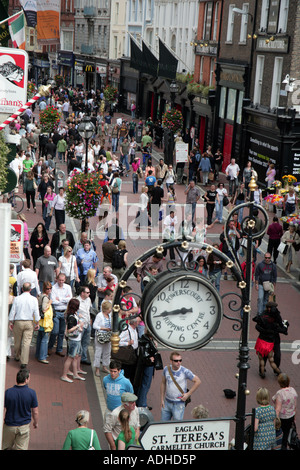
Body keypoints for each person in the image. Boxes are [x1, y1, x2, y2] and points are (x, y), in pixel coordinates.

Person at [2, 369, 38, 450]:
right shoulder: (32, 393)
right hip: (23, 426)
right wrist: (35, 423)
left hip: (9, 425)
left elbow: (3, 409)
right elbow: (35, 412)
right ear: (26, 380)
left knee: (5, 447)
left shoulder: (8, 392)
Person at [160, 351, 201, 421]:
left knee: (177, 426)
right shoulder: (166, 369)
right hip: (167, 402)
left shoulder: (185, 371)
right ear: (171, 361)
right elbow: (163, 383)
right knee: (163, 424)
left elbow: (198, 381)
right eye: (176, 361)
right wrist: (162, 399)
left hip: (179, 404)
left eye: (180, 360)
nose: (178, 362)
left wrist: (188, 394)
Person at [8, 282, 40, 368]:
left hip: (18, 321)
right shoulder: (34, 299)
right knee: (26, 343)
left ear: (22, 289)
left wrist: (11, 321)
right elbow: (36, 312)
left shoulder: (17, 299)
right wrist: (37, 322)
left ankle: (17, 355)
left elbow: (13, 311)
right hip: (29, 322)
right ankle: (24, 362)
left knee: (17, 341)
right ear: (30, 289)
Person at [253, 302, 283, 378]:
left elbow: (280, 324)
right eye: (268, 307)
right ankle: (264, 371)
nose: (269, 309)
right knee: (267, 358)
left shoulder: (276, 315)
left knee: (276, 356)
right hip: (268, 339)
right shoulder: (264, 314)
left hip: (271, 338)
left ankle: (275, 370)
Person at [60, 298, 86, 383]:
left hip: (76, 338)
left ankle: (75, 374)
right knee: (70, 357)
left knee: (75, 357)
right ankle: (64, 375)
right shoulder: (71, 317)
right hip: (73, 340)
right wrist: (79, 326)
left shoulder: (73, 314)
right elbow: (69, 330)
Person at [48, 273, 72, 357]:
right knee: (55, 331)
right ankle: (50, 347)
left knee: (62, 332)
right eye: (60, 280)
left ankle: (59, 349)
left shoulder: (68, 287)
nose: (61, 282)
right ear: (57, 279)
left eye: (63, 280)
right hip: (56, 312)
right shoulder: (53, 288)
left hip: (64, 311)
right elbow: (53, 301)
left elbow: (70, 299)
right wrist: (64, 300)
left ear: (65, 280)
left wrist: (60, 299)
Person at [134, 329, 159, 409]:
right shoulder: (147, 342)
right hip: (148, 366)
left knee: (143, 384)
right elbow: (144, 354)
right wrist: (149, 359)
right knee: (145, 384)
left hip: (145, 365)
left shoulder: (145, 339)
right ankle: (142, 404)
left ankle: (140, 401)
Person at [272, 373, 298, 450]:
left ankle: (279, 447)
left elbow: (278, 408)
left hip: (282, 417)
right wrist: (294, 418)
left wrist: (275, 419)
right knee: (286, 434)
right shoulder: (293, 390)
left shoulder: (280, 393)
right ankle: (284, 446)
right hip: (291, 416)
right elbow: (295, 406)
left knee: (279, 434)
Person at [35, 282, 53, 364]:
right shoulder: (45, 298)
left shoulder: (41, 296)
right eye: (47, 288)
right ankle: (42, 356)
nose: (49, 290)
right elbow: (44, 309)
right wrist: (49, 303)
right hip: (45, 321)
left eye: (50, 288)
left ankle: (38, 354)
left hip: (40, 321)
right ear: (44, 289)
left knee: (40, 338)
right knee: (44, 340)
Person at [93, 300, 112, 376]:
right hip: (100, 336)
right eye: (110, 308)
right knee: (98, 352)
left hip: (108, 336)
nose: (111, 310)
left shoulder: (109, 315)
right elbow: (95, 326)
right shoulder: (99, 315)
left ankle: (105, 366)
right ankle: (97, 368)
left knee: (107, 351)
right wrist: (103, 328)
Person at [76, 285, 92, 365]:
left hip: (88, 324)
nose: (89, 294)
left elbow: (89, 311)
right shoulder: (76, 301)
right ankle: (77, 357)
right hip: (81, 325)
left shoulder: (88, 299)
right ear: (82, 293)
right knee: (79, 342)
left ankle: (83, 358)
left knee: (86, 342)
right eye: (87, 292)